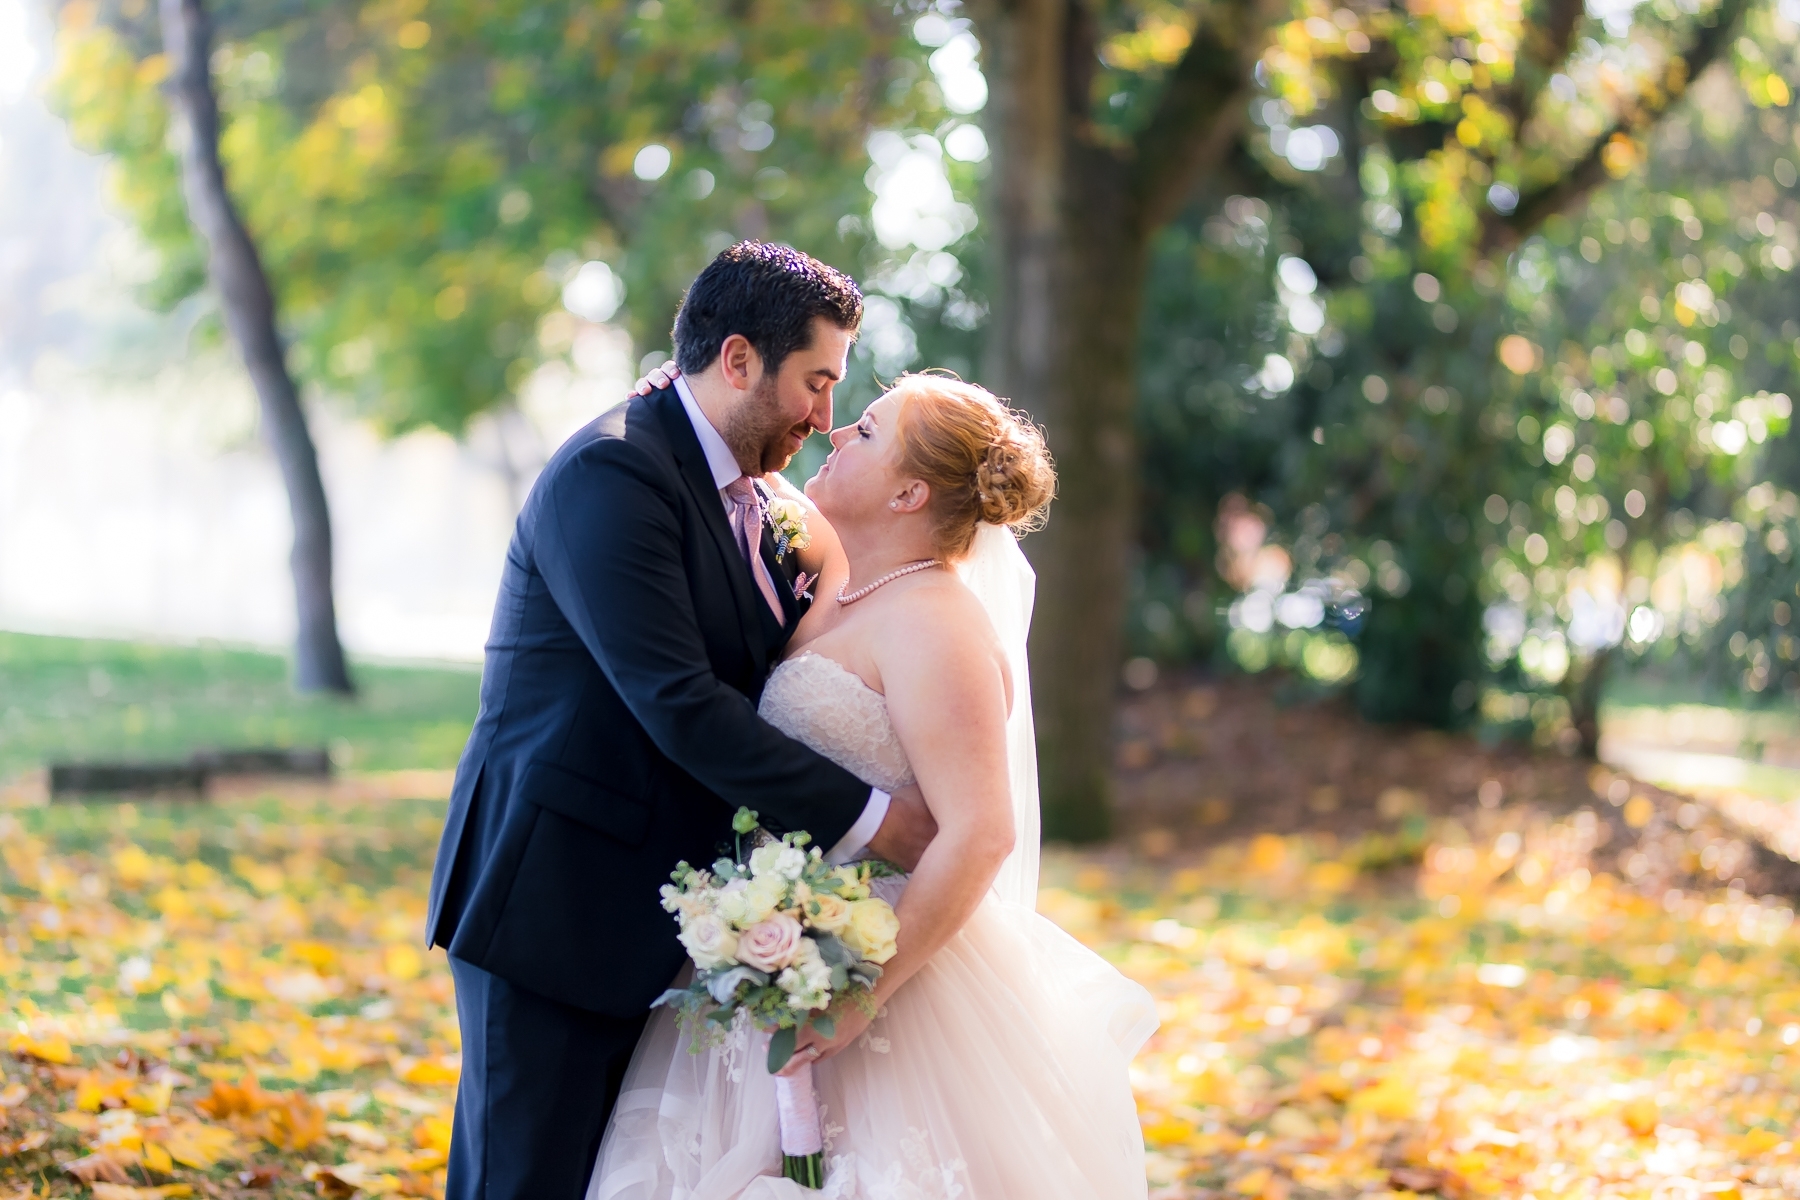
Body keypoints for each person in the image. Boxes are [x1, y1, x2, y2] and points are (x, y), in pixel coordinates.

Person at [426, 242, 939, 1200]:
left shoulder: (759, 500)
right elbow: (680, 703)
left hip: (671, 929)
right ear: (739, 359)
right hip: (555, 909)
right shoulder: (613, 474)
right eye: (815, 383)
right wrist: (877, 820)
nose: (825, 418)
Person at [589, 369, 1159, 1198]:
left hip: (877, 976)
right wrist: (681, 395)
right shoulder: (835, 585)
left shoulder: (939, 622)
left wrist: (865, 995)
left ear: (909, 494)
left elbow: (981, 831)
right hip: (770, 948)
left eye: (864, 433)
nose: (833, 434)